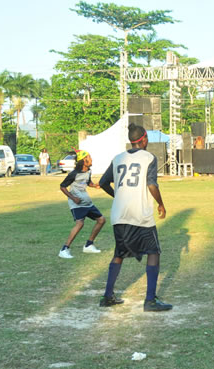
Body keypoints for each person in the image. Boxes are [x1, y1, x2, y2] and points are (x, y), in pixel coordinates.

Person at [98, 124, 171, 310]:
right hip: (140, 215)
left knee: (119, 253)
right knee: (153, 252)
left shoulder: (118, 158)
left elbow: (103, 182)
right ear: (144, 139)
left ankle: (107, 296)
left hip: (119, 215)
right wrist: (161, 203)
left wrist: (117, 195)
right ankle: (150, 300)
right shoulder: (149, 157)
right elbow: (152, 185)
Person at [58, 150, 105, 258]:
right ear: (84, 160)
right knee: (80, 224)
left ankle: (89, 245)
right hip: (77, 203)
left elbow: (88, 182)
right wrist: (73, 198)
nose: (91, 159)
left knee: (101, 220)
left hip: (86, 202)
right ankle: (64, 249)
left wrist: (95, 185)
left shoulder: (88, 171)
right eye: (89, 157)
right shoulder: (74, 174)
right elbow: (62, 187)